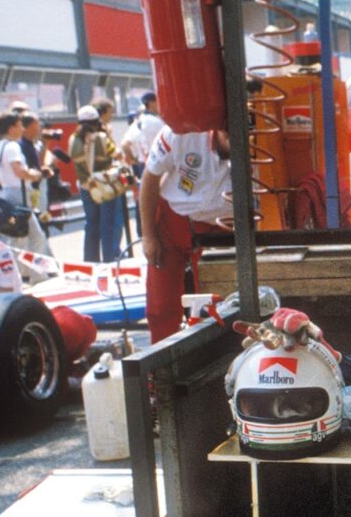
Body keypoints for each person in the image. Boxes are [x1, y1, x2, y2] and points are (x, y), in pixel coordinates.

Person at [138, 127, 230, 342]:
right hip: (172, 221)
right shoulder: (179, 131)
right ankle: (161, 368)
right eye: (227, 133)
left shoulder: (260, 146)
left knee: (217, 307)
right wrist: (148, 236)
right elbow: (149, 179)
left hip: (220, 231)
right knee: (161, 305)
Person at [0, 113, 51, 261]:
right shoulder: (12, 147)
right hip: (19, 195)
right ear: (11, 128)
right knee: (24, 238)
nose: (22, 129)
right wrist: (36, 175)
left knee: (25, 236)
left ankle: (28, 273)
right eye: (19, 125)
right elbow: (20, 171)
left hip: (7, 193)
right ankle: (26, 273)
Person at [69, 104, 124, 262]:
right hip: (103, 187)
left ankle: (91, 260)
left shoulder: (73, 140)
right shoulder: (102, 138)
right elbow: (118, 154)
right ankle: (109, 260)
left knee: (91, 224)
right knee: (108, 224)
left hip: (86, 187)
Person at [119, 92, 164, 179]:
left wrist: (133, 161)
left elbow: (125, 145)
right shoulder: (156, 122)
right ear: (151, 103)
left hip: (143, 165)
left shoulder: (139, 121)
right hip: (157, 164)